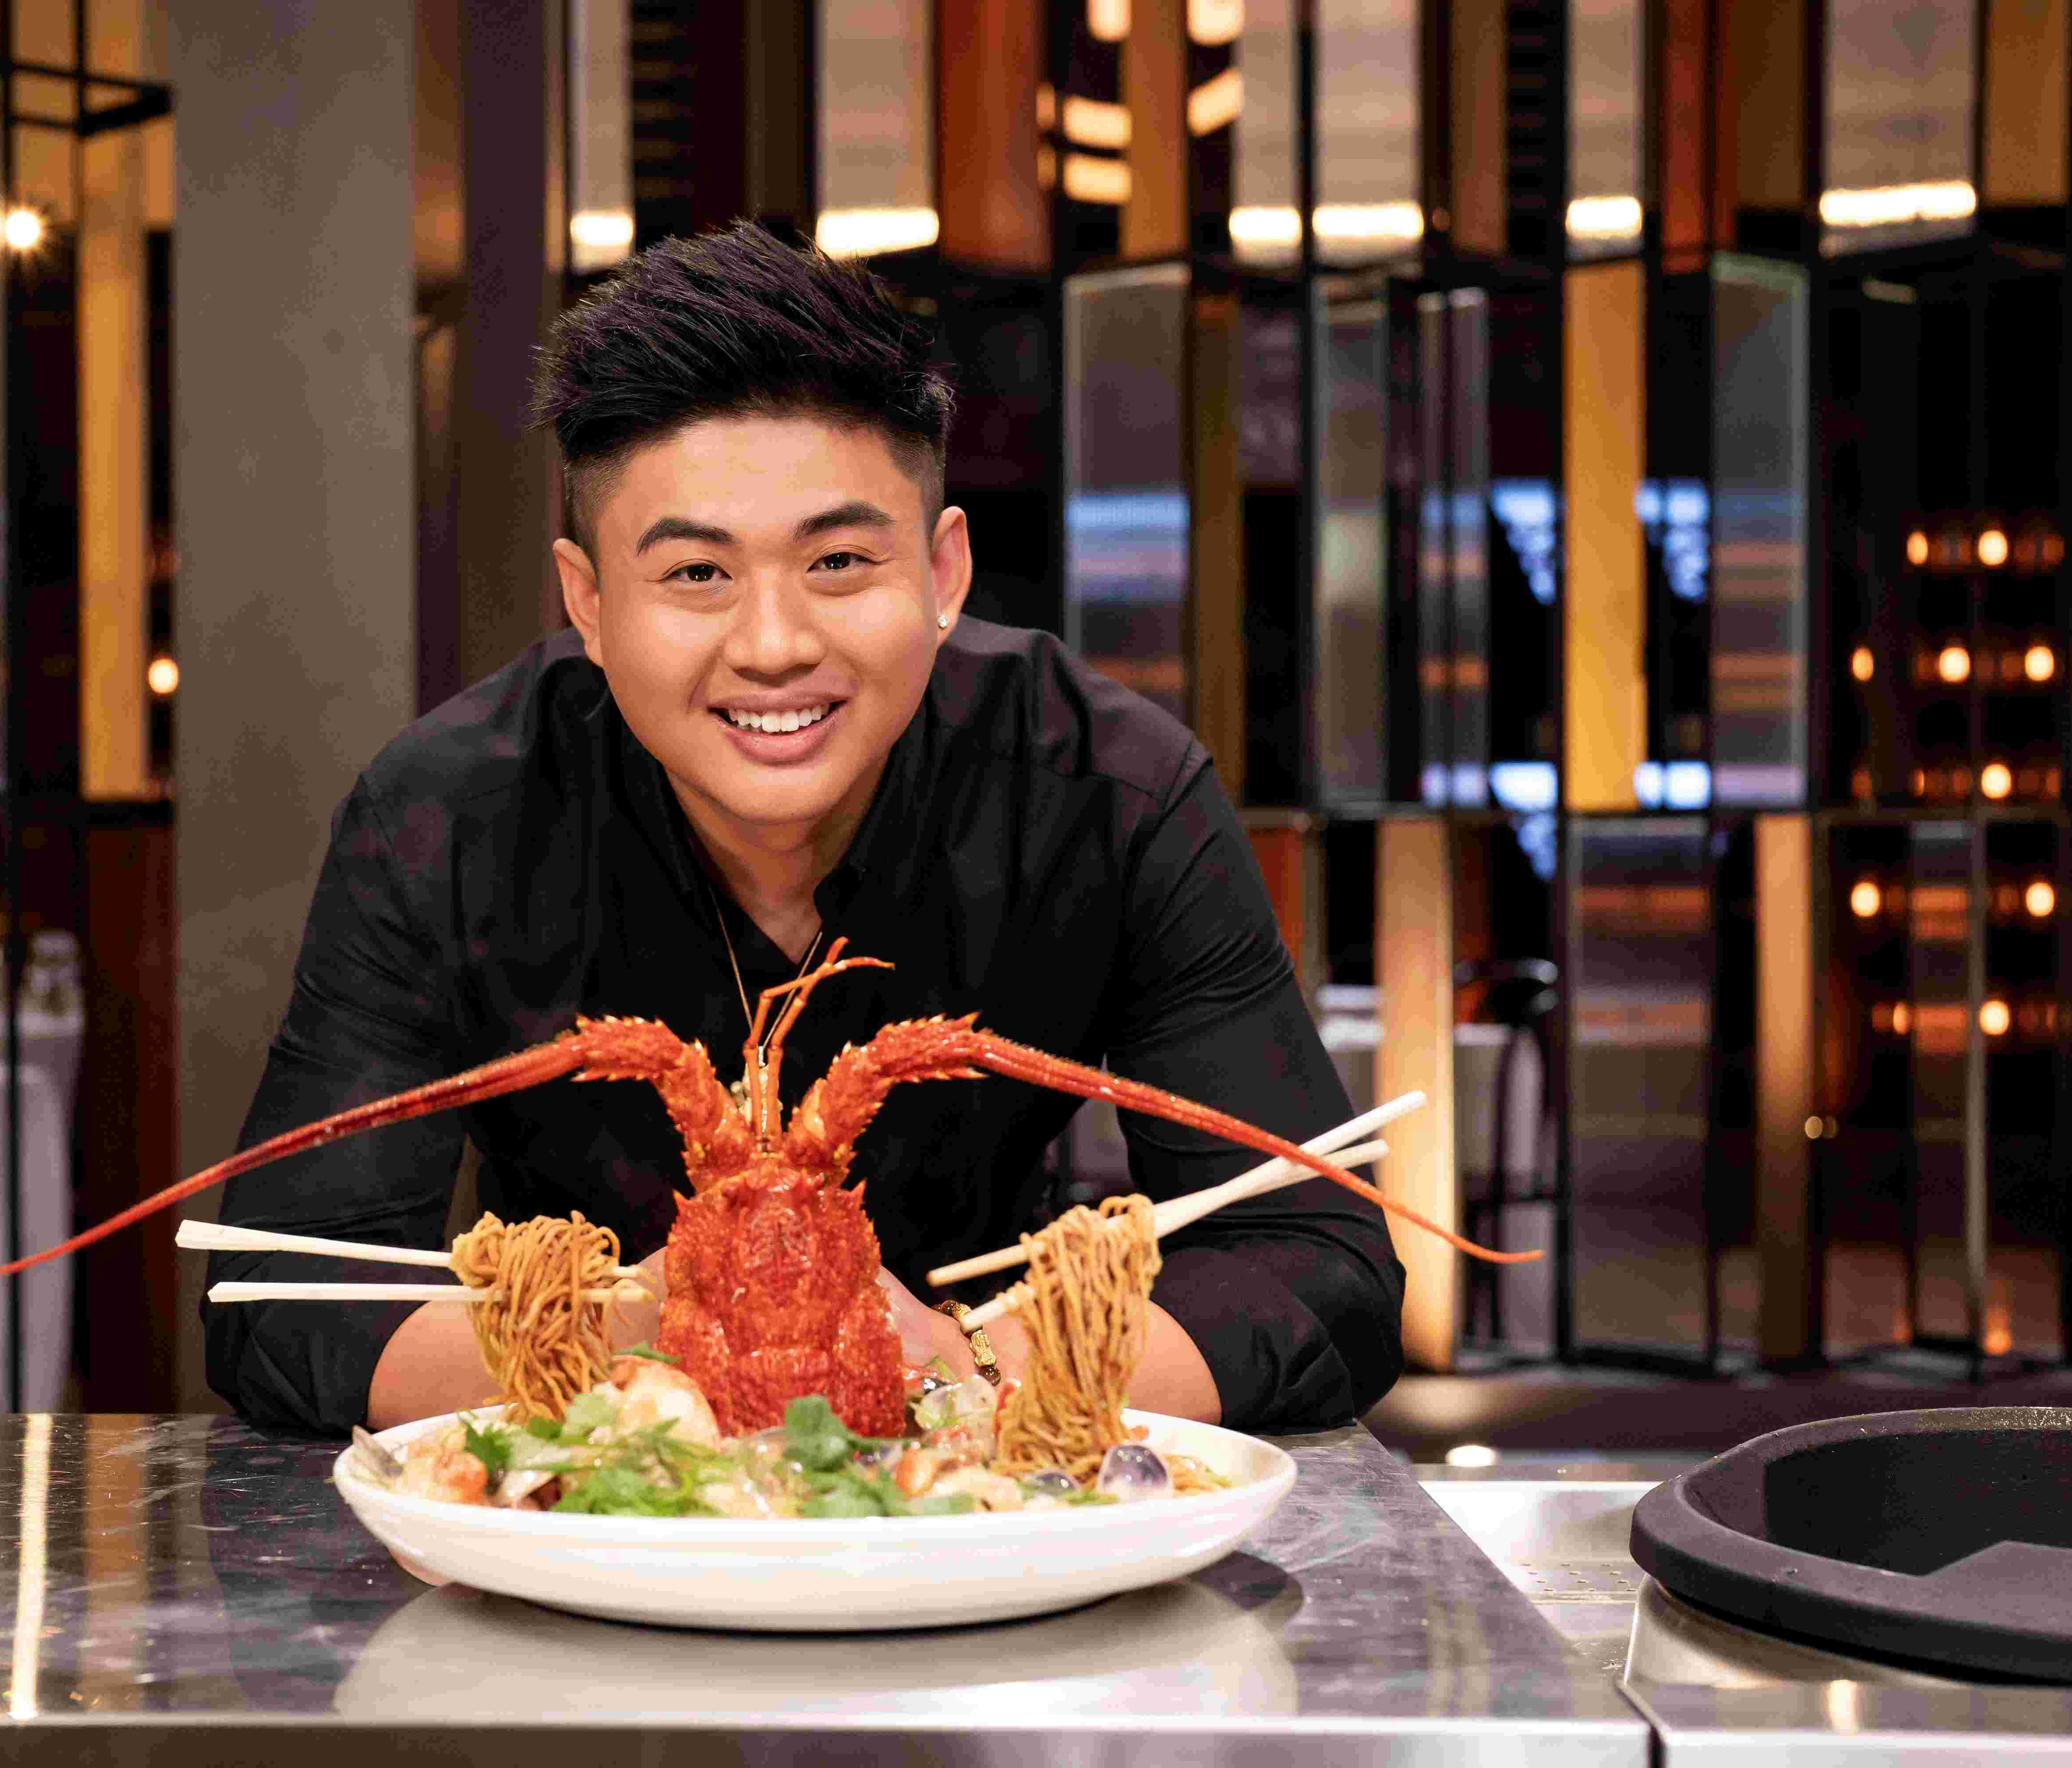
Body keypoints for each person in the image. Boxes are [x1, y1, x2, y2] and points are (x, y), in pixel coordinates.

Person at [204, 221, 1401, 1436]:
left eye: (837, 560)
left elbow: (1321, 1267)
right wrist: (633, 1337)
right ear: (590, 604)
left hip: (987, 1483)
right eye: (696, 576)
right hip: (588, 1496)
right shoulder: (445, 814)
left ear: (942, 575)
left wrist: (962, 1366)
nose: (773, 644)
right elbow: (282, 1289)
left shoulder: (1109, 789)